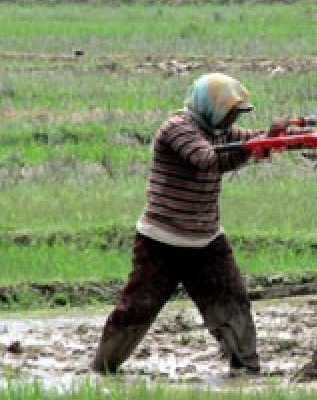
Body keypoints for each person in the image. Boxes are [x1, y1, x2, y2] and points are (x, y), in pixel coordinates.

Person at [91, 72, 289, 376]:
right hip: (160, 242)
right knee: (136, 309)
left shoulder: (219, 132)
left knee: (232, 304)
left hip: (206, 242)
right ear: (210, 107)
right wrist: (254, 148)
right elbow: (206, 159)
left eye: (236, 115)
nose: (232, 121)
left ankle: (247, 370)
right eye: (230, 113)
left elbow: (248, 143)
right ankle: (103, 369)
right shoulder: (177, 128)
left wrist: (273, 137)